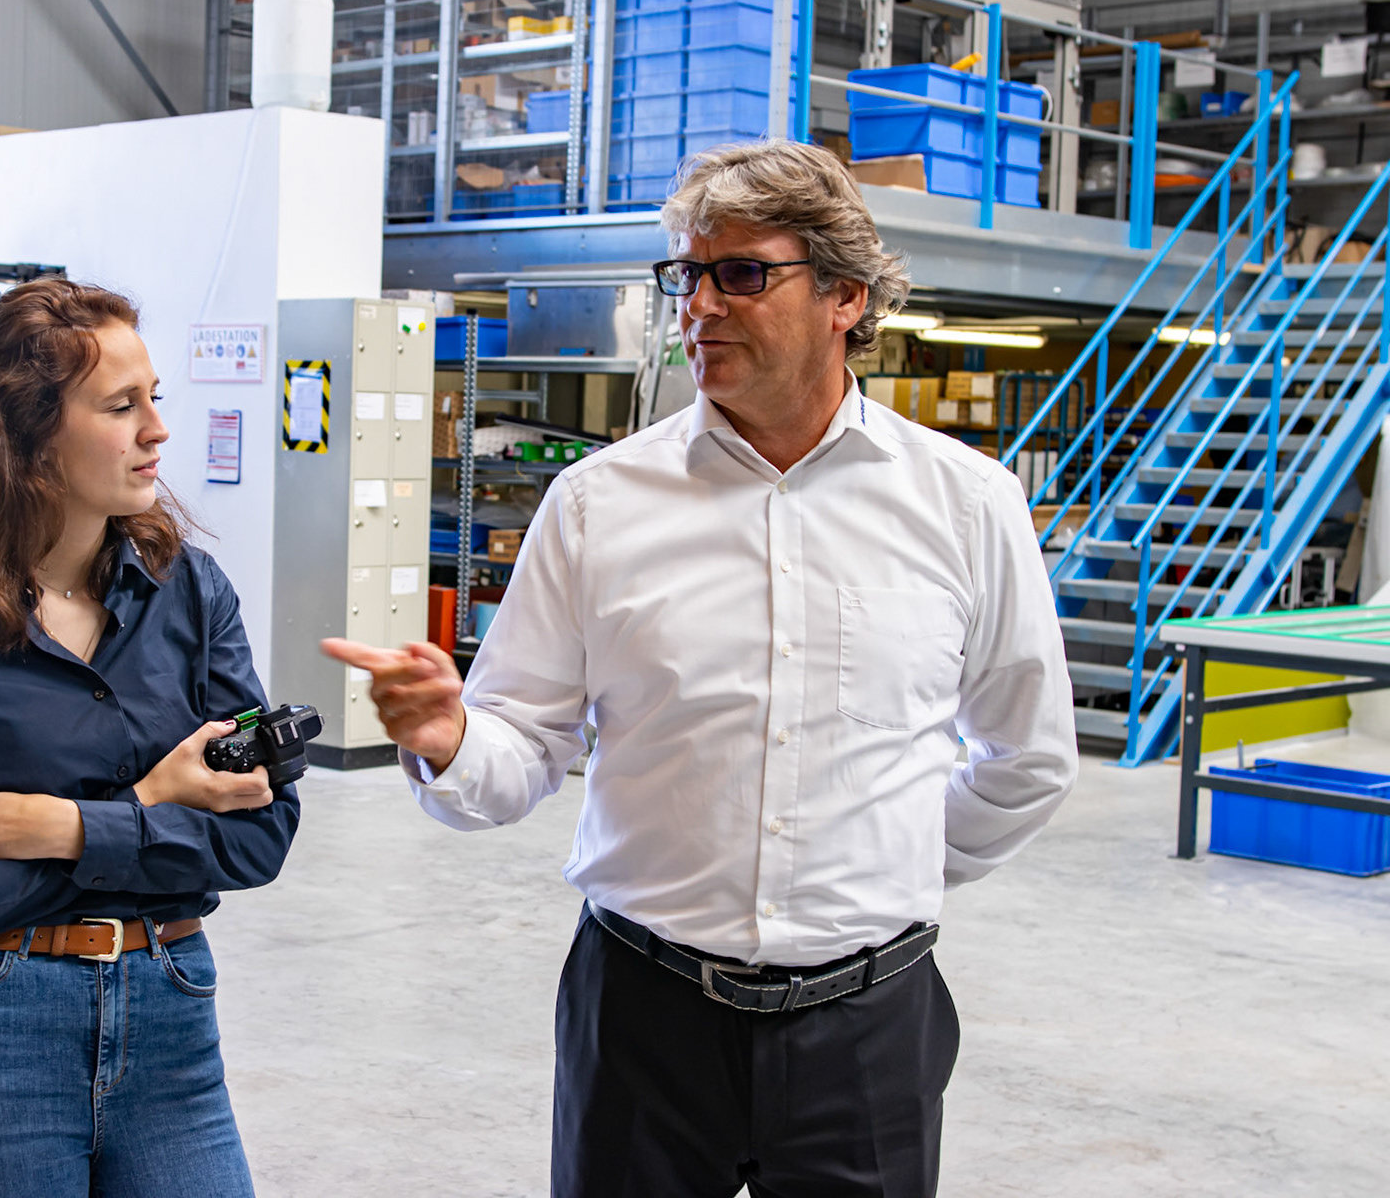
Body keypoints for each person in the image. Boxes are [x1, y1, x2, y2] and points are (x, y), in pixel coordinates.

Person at [324, 140, 1077, 1198]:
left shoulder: (965, 504)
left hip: (870, 1028)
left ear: (846, 297)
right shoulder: (597, 504)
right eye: (687, 274)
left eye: (743, 273)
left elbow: (1027, 756)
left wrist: (887, 866)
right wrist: (452, 740)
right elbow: (521, 746)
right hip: (644, 1016)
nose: (701, 306)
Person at [0, 278, 297, 1197]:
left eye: (154, 399)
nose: (158, 430)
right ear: (26, 435)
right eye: (120, 405)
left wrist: (63, 828)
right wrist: (153, 802)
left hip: (172, 1012)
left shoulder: (193, 594)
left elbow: (260, 838)